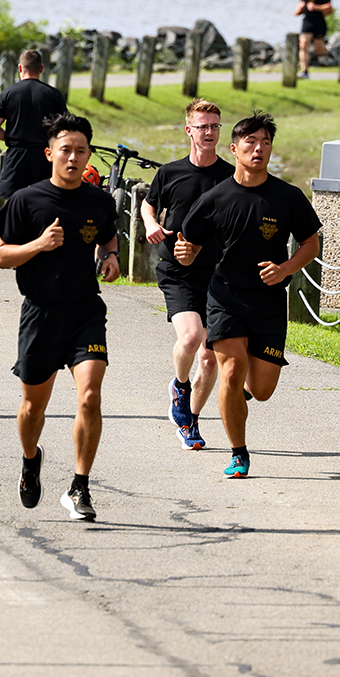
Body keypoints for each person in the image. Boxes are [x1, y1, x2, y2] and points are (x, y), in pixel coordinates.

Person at [173, 113, 323, 480]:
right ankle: (239, 453)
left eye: (265, 143)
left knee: (262, 389)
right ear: (234, 148)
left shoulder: (287, 197)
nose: (259, 149)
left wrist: (285, 269)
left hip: (268, 302)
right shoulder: (214, 198)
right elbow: (189, 247)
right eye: (251, 142)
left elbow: (311, 243)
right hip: (225, 297)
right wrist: (186, 254)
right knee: (230, 371)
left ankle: (232, 398)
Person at [0, 113, 120, 521]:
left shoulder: (99, 200)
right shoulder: (25, 200)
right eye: (65, 149)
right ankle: (31, 459)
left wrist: (111, 256)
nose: (73, 157)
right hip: (40, 314)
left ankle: (80, 486)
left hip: (85, 311)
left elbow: (107, 235)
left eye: (81, 151)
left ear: (88, 155)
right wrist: (39, 244)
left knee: (90, 395)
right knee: (33, 408)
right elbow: (1, 256)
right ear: (50, 153)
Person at [140, 100, 229, 451]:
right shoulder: (170, 172)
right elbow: (149, 203)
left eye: (215, 126)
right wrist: (151, 223)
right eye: (202, 126)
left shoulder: (230, 176)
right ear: (189, 130)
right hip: (177, 271)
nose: (209, 132)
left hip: (217, 273)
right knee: (191, 339)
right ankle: (180, 386)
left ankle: (190, 418)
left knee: (209, 356)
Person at [0, 48, 67, 204]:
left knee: (13, 205)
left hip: (17, 156)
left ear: (20, 67)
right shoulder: (53, 94)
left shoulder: (7, 93)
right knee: (45, 203)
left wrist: (11, 139)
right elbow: (65, 128)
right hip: (45, 155)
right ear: (41, 68)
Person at [295, 0, 333, 77]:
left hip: (318, 23)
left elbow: (329, 8)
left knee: (318, 49)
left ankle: (331, 53)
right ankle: (304, 71)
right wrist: (299, 9)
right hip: (307, 22)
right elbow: (300, 8)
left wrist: (316, 7)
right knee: (303, 45)